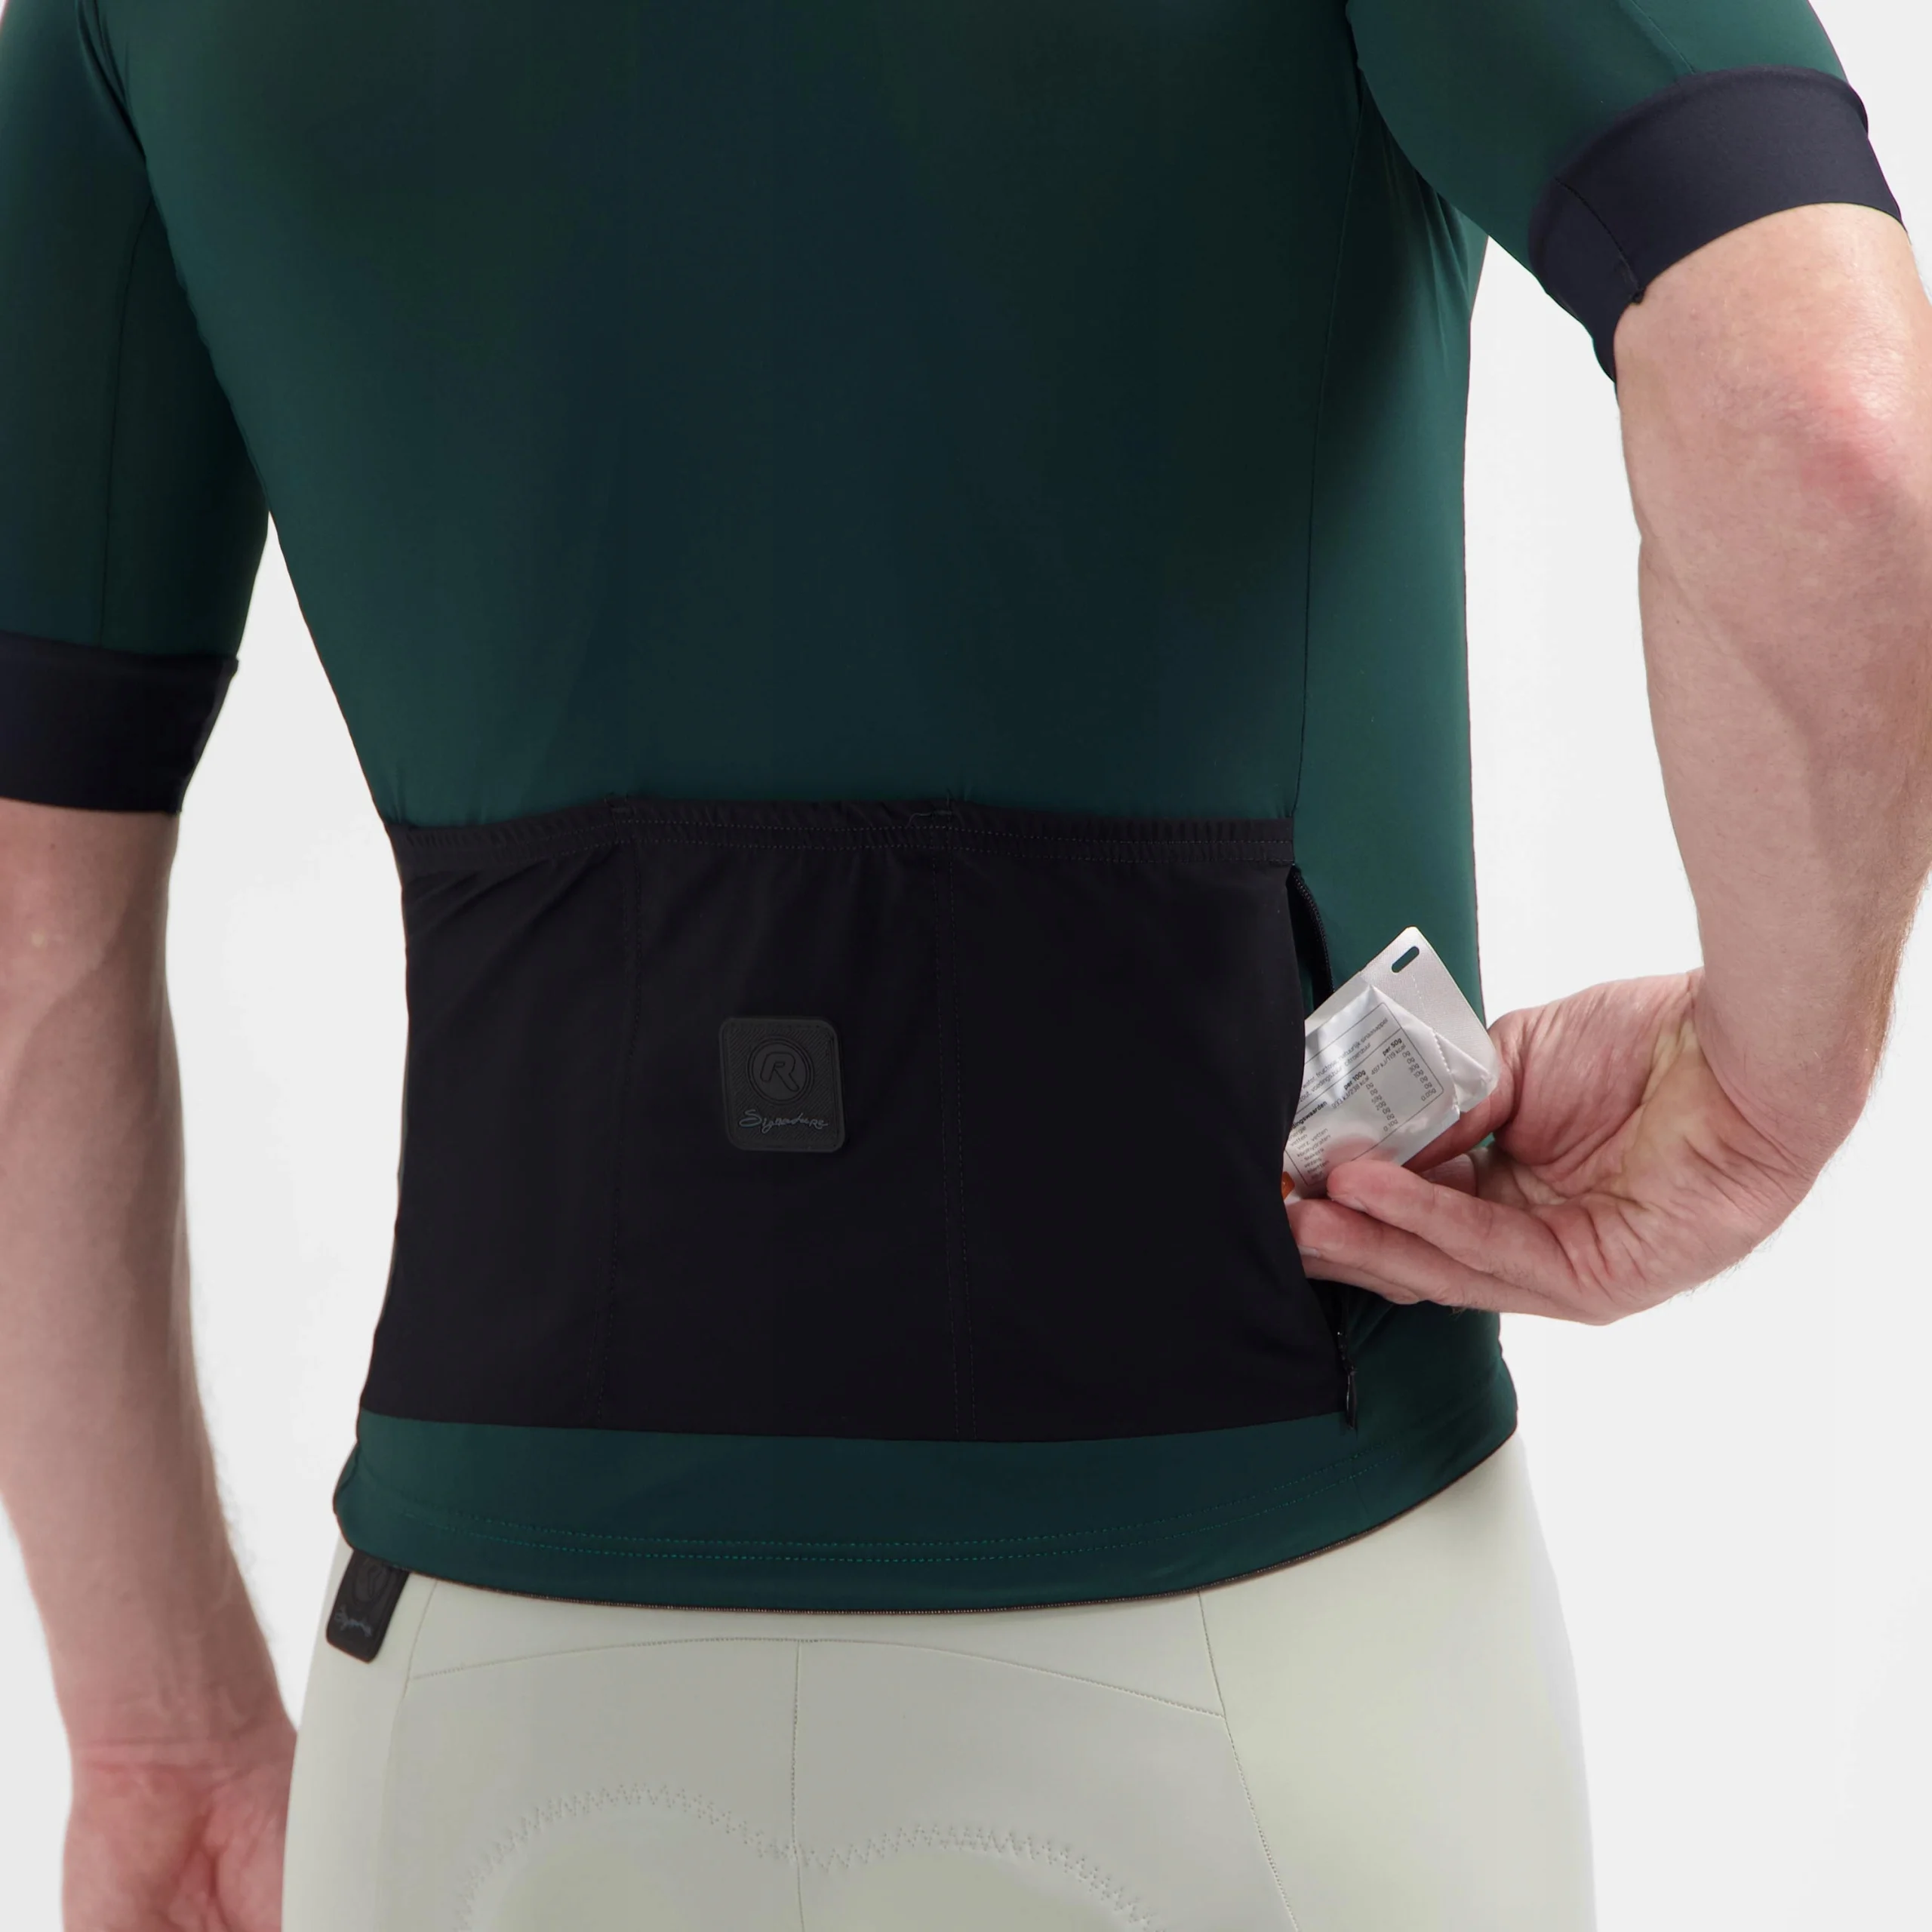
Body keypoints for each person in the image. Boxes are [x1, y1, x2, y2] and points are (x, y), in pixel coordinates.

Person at [2, 0, 1927, 1923]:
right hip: (1273, 1655)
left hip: (483, 1701)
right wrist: (1763, 1087)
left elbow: (31, 924)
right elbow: (1820, 418)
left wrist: (162, 1737)